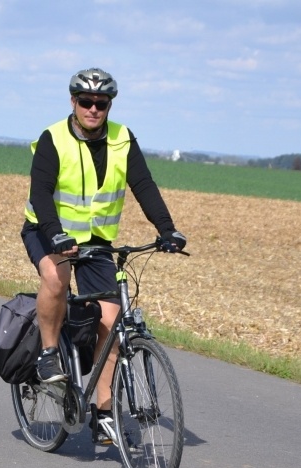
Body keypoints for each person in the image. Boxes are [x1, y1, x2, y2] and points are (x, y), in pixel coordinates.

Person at [21, 67, 186, 445]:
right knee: (55, 278)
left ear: (110, 104)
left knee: (111, 323)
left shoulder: (123, 139)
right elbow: (42, 193)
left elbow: (143, 184)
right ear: (73, 102)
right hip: (47, 231)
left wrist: (167, 229)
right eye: (86, 101)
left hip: (95, 241)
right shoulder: (53, 139)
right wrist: (55, 234)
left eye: (101, 103)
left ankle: (104, 413)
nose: (93, 109)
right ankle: (48, 354)